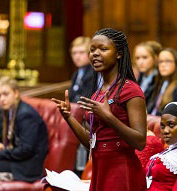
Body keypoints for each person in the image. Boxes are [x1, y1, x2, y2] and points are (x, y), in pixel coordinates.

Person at [52, 28, 147, 191]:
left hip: (121, 172)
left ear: (118, 54)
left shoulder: (130, 90)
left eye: (103, 49)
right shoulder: (98, 93)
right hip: (100, 170)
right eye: (92, 50)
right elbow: (93, 144)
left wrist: (108, 117)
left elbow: (140, 141)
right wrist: (69, 117)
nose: (95, 54)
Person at [0, 75, 48, 182]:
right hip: (15, 159)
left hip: (27, 166)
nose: (2, 99)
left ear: (15, 93)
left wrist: (1, 153)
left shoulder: (26, 115)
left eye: (5, 94)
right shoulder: (4, 112)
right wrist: (0, 146)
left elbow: (26, 150)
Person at [147, 48, 177, 116]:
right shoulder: (158, 84)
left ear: (176, 64)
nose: (163, 65)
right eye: (160, 61)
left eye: (167, 61)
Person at [69, 36, 99, 103]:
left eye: (81, 52)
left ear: (90, 54)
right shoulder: (76, 74)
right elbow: (70, 97)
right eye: (74, 53)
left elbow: (86, 99)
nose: (77, 56)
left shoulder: (95, 73)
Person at [134, 41, 162, 106]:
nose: (140, 62)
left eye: (145, 57)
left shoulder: (159, 79)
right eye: (137, 58)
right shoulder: (140, 77)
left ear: (155, 58)